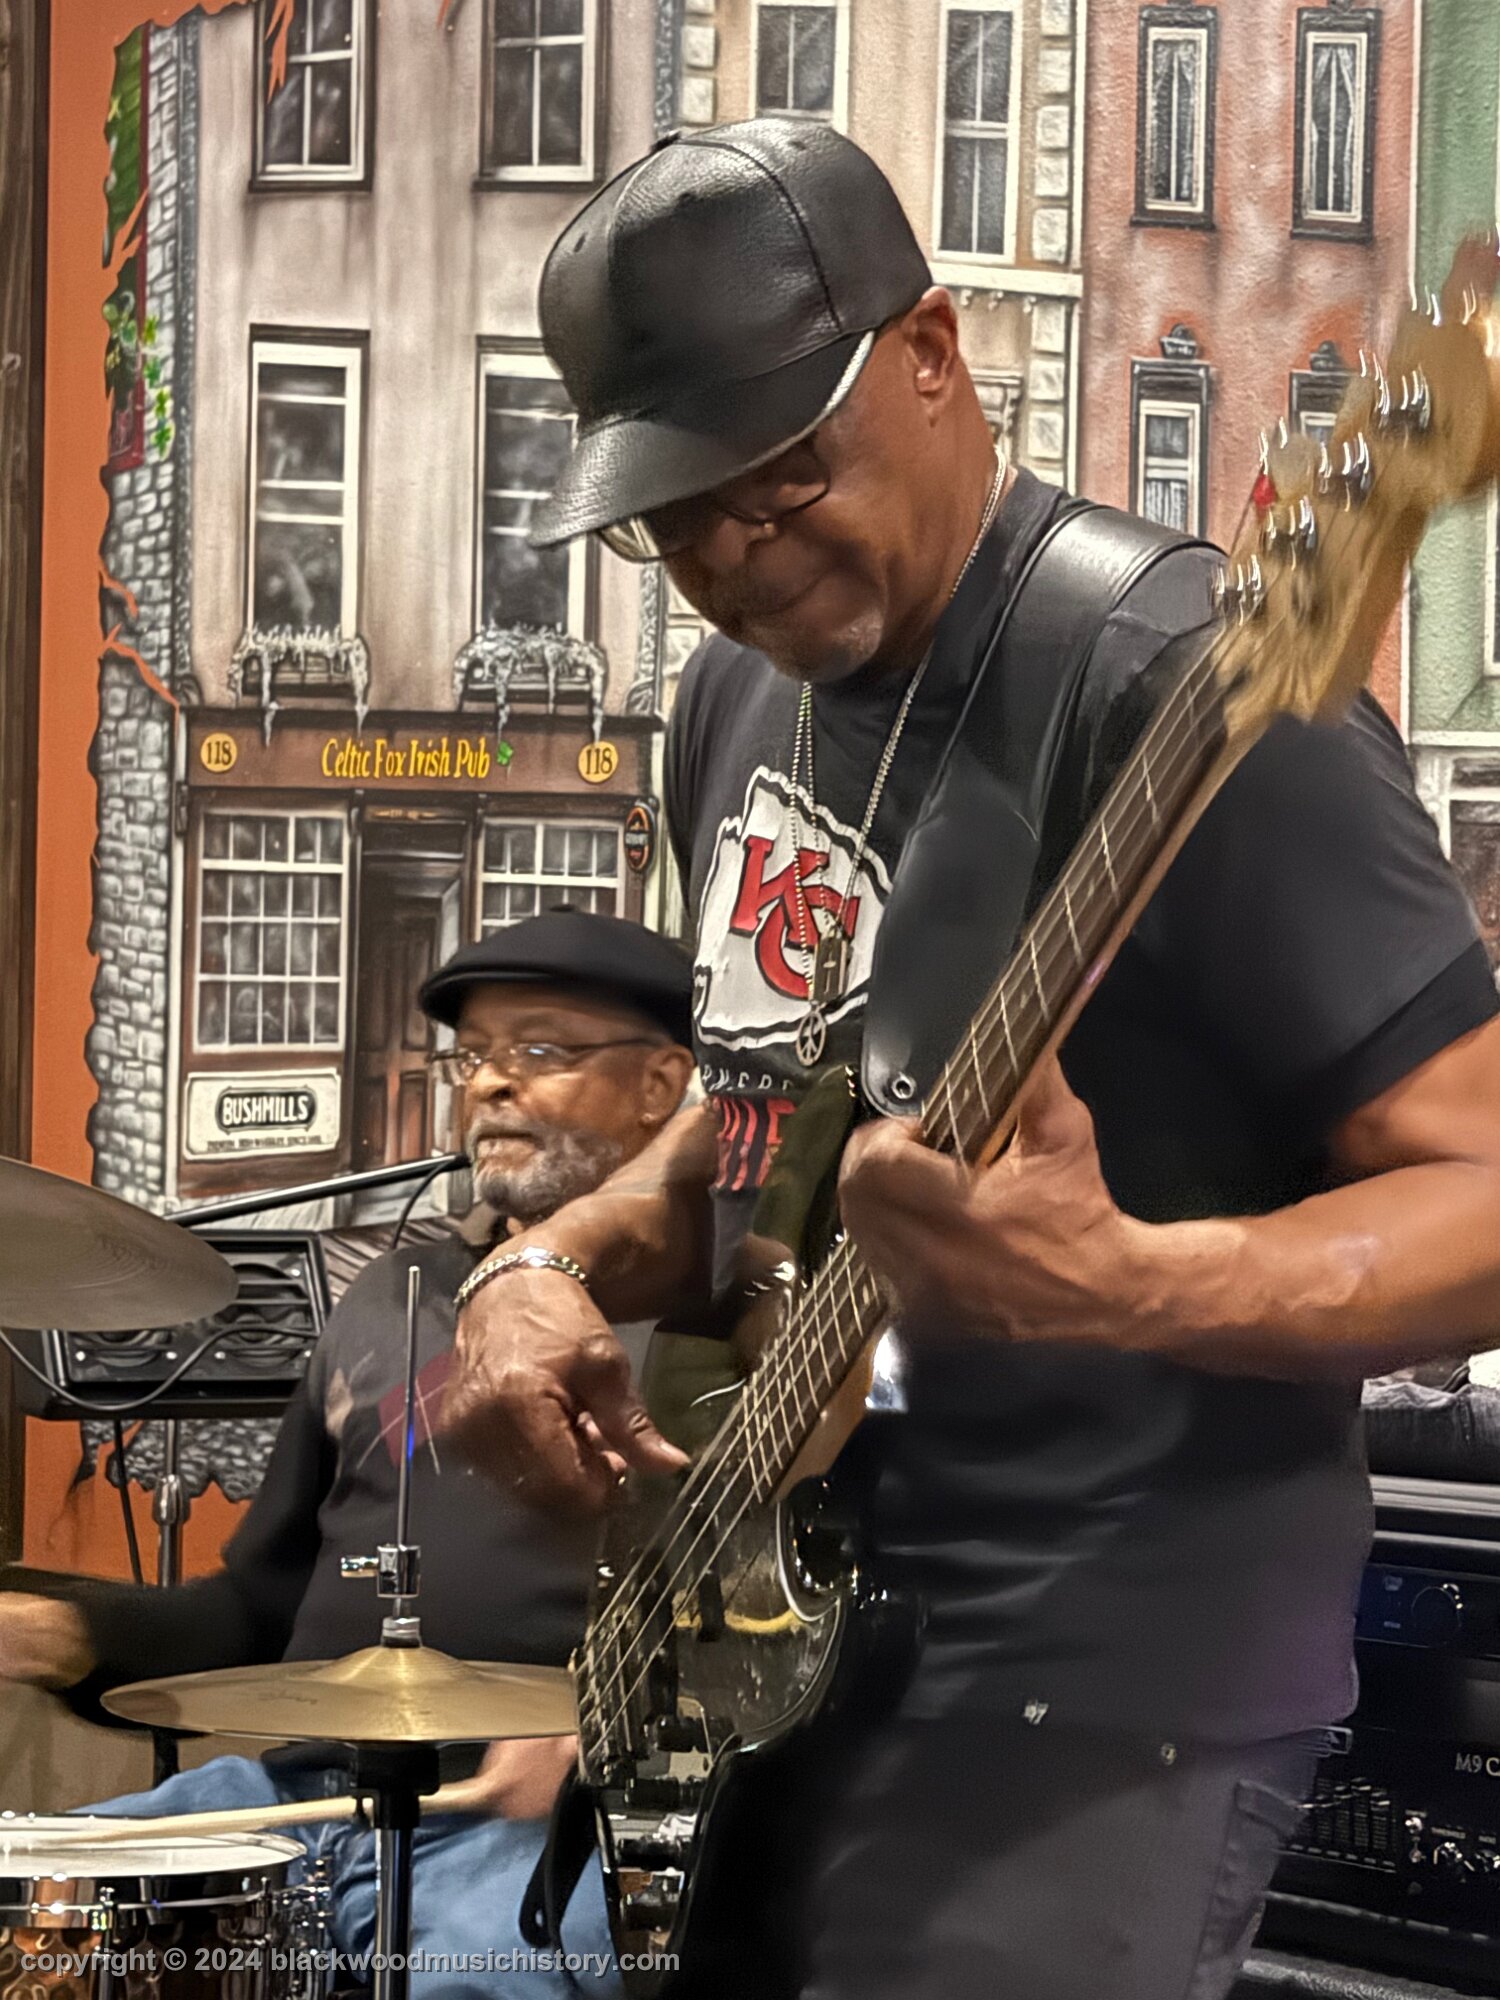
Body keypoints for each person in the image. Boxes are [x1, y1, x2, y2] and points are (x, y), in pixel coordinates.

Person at [439, 122, 1500, 2000]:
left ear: (930, 352)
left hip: (1100, 1684)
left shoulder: (1197, 687)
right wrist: (547, 1267)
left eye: (777, 476)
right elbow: (763, 1119)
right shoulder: (735, 701)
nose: (730, 557)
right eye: (671, 516)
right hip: (778, 1637)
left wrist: (1134, 1282)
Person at [0, 911, 696, 2000]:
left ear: (662, 1083)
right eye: (475, 1054)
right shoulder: (392, 1291)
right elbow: (257, 1605)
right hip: (299, 1798)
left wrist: (612, 1726)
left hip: (530, 1819)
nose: (490, 1083)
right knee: (33, 1926)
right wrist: (57, 1633)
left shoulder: (716, 1314)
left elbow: (773, 1609)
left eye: (540, 1048)